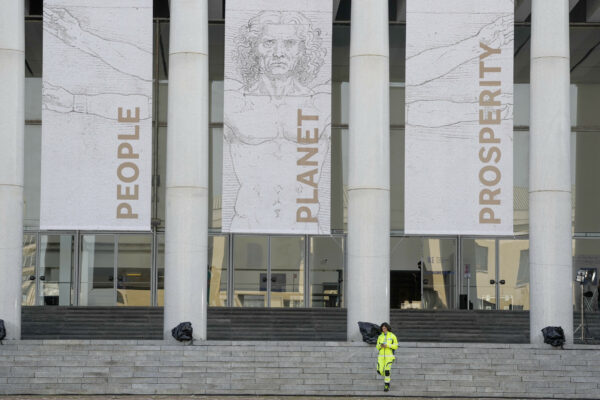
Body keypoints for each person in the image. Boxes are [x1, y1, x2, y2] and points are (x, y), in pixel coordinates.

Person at [376, 322, 398, 392]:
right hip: (381, 357)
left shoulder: (392, 336)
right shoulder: (380, 336)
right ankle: (385, 376)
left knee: (387, 371)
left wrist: (388, 345)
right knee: (380, 371)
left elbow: (396, 346)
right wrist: (380, 346)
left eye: (385, 328)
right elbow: (377, 346)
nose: (383, 329)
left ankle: (387, 384)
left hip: (389, 357)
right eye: (382, 328)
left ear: (387, 328)